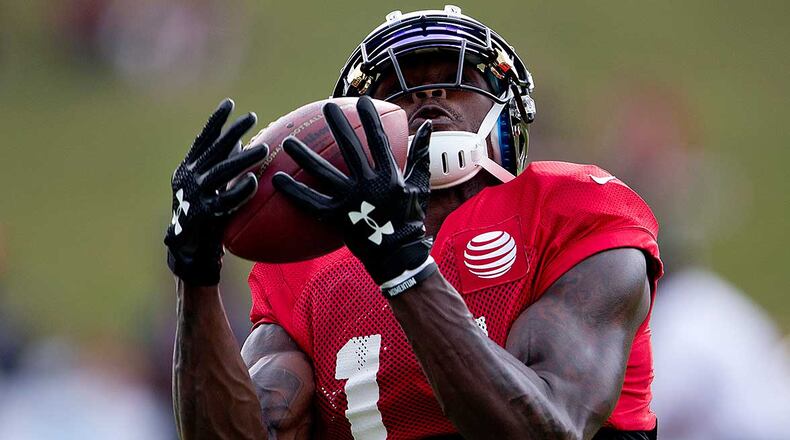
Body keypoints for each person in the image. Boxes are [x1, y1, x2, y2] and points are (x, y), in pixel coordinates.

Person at [164, 6, 662, 440]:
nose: (429, 94)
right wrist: (196, 274)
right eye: (396, 91)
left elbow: (552, 427)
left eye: (455, 76)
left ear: (506, 118)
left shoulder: (571, 212)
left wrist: (400, 261)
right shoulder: (311, 269)